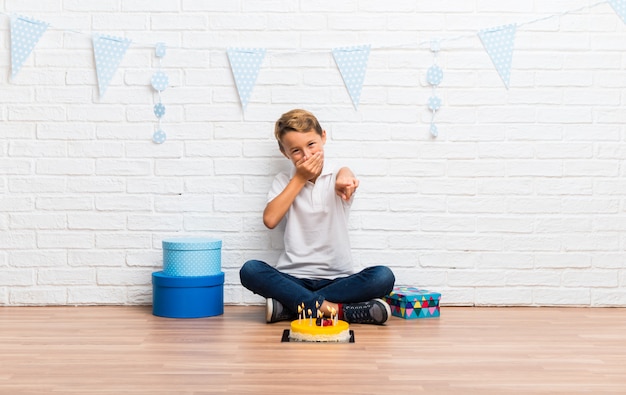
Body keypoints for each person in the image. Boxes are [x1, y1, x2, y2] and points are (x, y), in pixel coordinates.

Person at [239, 109, 395, 325]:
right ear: (285, 153)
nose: (306, 155)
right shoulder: (284, 180)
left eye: (311, 144)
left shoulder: (340, 177)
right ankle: (338, 311)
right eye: (296, 150)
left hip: (338, 279)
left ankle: (292, 307)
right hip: (293, 279)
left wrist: (345, 175)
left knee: (383, 277)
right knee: (250, 270)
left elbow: (345, 176)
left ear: (323, 136)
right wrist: (300, 178)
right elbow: (270, 220)